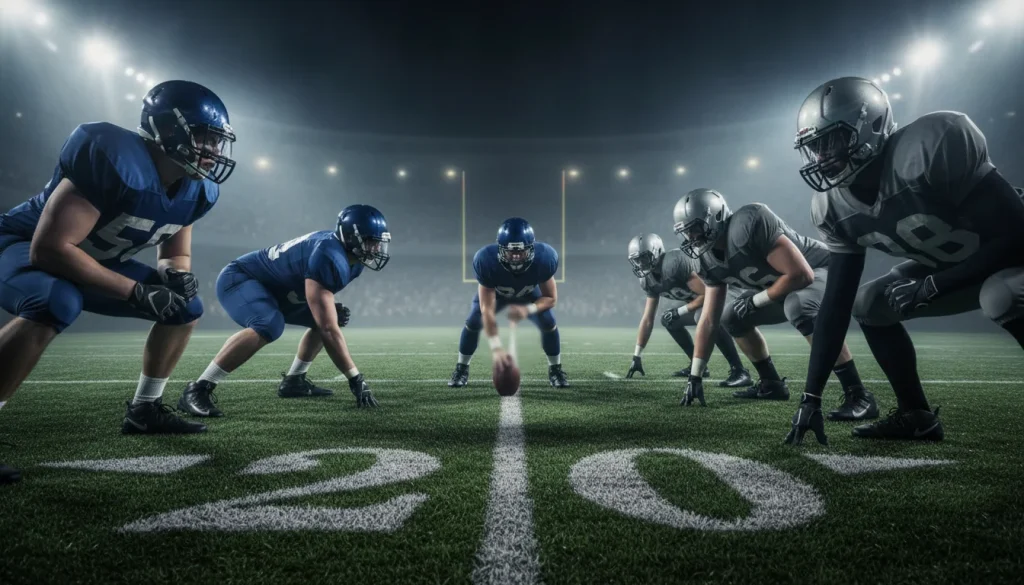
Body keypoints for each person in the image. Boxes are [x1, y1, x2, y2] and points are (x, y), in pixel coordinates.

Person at [0, 80, 236, 484]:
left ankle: (145, 410)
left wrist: (174, 277)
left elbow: (174, 254)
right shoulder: (113, 156)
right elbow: (51, 249)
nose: (212, 151)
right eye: (203, 137)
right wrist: (135, 290)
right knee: (56, 302)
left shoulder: (198, 190)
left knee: (185, 309)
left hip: (89, 258)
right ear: (166, 129)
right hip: (24, 244)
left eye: (217, 141)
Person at [785, 76, 1024, 444]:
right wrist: (811, 396)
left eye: (831, 141)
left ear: (872, 127)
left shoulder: (932, 144)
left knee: (1000, 296)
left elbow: (1014, 235)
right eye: (814, 146)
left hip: (1013, 250)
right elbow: (836, 304)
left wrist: (934, 285)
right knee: (870, 303)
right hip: (959, 264)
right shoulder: (831, 207)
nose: (821, 157)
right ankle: (916, 415)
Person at [176, 205, 389, 417]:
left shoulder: (351, 259)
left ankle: (294, 381)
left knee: (332, 316)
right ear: (351, 237)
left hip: (276, 290)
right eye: (371, 242)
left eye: (378, 243)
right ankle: (199, 388)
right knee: (270, 324)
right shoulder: (329, 255)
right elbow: (328, 329)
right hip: (241, 279)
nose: (376, 249)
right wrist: (355, 378)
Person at [674, 188, 871, 412]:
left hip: (822, 270)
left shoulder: (747, 224)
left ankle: (858, 395)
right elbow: (709, 320)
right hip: (782, 285)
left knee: (798, 305)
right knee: (731, 316)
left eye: (696, 229)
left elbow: (801, 275)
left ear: (716, 217)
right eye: (686, 233)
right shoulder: (705, 260)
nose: (692, 238)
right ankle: (771, 384)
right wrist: (695, 376)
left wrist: (755, 301)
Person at [447, 217, 569, 388]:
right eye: (511, 252)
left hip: (528, 294)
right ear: (500, 250)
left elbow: (550, 298)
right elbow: (487, 310)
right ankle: (461, 368)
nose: (516, 257)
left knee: (549, 322)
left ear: (532, 249)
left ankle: (555, 369)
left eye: (521, 251)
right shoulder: (486, 260)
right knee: (474, 321)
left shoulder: (544, 259)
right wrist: (496, 347)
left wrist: (528, 310)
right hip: (498, 294)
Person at [624, 233, 752, 386]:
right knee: (669, 320)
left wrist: (680, 311)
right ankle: (697, 366)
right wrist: (637, 356)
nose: (640, 264)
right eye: (636, 260)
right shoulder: (647, 279)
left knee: (702, 317)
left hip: (725, 293)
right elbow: (647, 318)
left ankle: (739, 370)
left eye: (644, 258)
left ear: (657, 252)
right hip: (704, 301)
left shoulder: (674, 263)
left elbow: (708, 294)